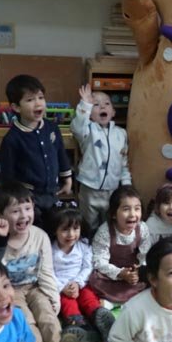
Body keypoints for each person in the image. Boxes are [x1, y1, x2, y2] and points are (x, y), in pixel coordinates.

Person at [0, 181, 79, 342]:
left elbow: (46, 271)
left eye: (28, 209)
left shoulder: (40, 236)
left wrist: (53, 298)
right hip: (11, 292)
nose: (23, 216)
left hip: (35, 287)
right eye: (15, 211)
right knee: (27, 321)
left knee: (47, 314)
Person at [0, 74, 73, 224]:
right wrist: (14, 199)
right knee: (35, 228)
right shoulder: (12, 138)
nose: (38, 103)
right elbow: (7, 175)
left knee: (54, 225)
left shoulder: (52, 128)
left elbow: (61, 154)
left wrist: (67, 179)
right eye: (30, 100)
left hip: (53, 192)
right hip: (29, 197)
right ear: (16, 107)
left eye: (41, 97)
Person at [46, 204, 115, 342]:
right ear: (55, 230)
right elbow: (48, 272)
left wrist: (78, 283)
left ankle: (99, 317)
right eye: (65, 229)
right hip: (61, 288)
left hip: (82, 284)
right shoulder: (49, 250)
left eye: (75, 228)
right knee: (67, 304)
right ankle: (80, 328)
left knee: (88, 298)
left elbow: (88, 267)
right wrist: (62, 287)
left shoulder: (83, 246)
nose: (71, 234)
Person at [71, 83, 132, 234]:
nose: (102, 107)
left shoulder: (121, 134)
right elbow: (77, 125)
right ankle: (88, 243)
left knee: (109, 225)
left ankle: (105, 245)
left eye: (106, 104)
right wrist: (85, 104)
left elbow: (123, 162)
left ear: (113, 112)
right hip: (89, 188)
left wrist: (126, 185)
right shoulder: (87, 131)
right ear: (90, 114)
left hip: (112, 190)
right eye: (96, 105)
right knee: (88, 225)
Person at [88, 185, 152, 305]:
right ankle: (109, 304)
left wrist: (139, 270)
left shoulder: (142, 228)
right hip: (111, 273)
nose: (132, 214)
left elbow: (146, 253)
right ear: (113, 214)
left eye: (137, 209)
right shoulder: (105, 232)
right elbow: (99, 260)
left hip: (133, 272)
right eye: (126, 209)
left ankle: (129, 302)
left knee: (151, 280)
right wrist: (120, 273)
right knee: (96, 281)